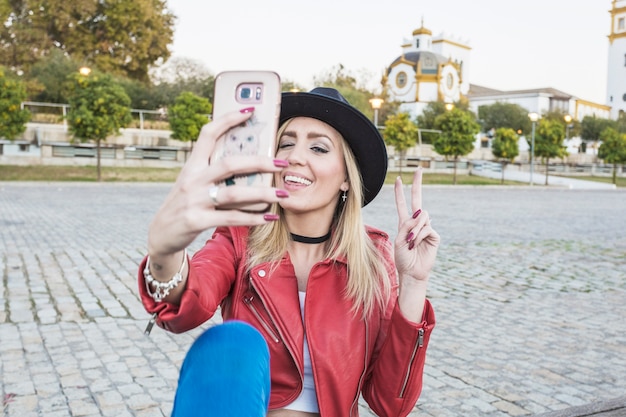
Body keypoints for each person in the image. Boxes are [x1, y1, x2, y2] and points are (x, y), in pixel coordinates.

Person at [138, 87, 439, 416]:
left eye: (318, 147)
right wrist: (165, 253)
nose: (296, 155)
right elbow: (187, 308)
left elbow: (390, 404)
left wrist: (414, 283)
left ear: (346, 179)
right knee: (230, 343)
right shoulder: (239, 237)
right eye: (286, 143)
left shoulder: (374, 256)